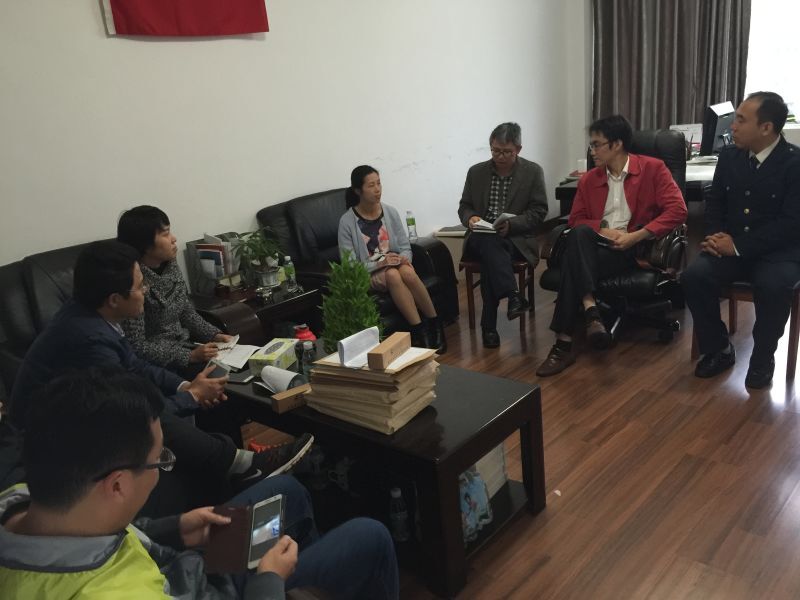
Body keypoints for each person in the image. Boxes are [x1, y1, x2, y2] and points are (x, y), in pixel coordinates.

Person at [0, 368, 399, 599]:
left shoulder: (20, 501)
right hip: (224, 591)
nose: (161, 469)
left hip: (193, 570)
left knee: (288, 492)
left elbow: (106, 537)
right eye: (159, 460)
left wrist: (174, 528)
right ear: (117, 485)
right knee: (371, 535)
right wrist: (268, 581)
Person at [8, 240, 313, 517]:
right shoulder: (88, 340)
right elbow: (125, 408)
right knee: (149, 415)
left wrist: (184, 387)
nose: (147, 291)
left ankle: (238, 467)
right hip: (55, 440)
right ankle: (240, 465)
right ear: (114, 298)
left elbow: (135, 366)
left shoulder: (93, 315)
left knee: (184, 397)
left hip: (87, 413)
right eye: (140, 286)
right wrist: (190, 397)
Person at [535, 114, 687, 377]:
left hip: (632, 249)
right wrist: (603, 229)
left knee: (573, 257)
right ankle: (590, 310)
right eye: (591, 145)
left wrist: (636, 236)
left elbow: (678, 210)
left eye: (596, 145)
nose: (591, 151)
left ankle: (564, 343)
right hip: (596, 246)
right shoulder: (589, 180)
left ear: (616, 144)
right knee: (580, 233)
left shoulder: (653, 169)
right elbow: (576, 220)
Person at [682, 91, 800, 389]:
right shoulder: (730, 156)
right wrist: (714, 236)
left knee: (774, 286)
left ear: (766, 127)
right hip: (729, 246)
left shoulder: (794, 163)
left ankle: (762, 357)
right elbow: (716, 202)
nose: (733, 126)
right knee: (694, 276)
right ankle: (718, 348)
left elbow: (791, 224)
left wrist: (736, 246)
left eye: (741, 120)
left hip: (777, 253)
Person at [458, 122, 549, 348]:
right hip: (479, 236)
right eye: (495, 151)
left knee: (492, 256)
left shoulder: (532, 172)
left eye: (506, 152)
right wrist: (471, 218)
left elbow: (539, 211)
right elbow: (465, 206)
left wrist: (513, 224)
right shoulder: (476, 172)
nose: (500, 156)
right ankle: (513, 295)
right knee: (489, 241)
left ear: (518, 149)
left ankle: (488, 326)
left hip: (515, 239)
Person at [117, 205, 234, 378]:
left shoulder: (170, 265)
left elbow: (185, 310)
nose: (174, 239)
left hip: (187, 346)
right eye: (165, 234)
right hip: (160, 364)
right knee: (224, 379)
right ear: (145, 245)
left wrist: (214, 335)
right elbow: (137, 346)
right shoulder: (133, 282)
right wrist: (189, 356)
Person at [338, 165, 445, 351]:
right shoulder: (346, 222)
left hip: (394, 265)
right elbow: (350, 266)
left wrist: (404, 259)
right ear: (358, 190)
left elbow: (405, 247)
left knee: (407, 272)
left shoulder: (390, 212)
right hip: (368, 273)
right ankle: (419, 330)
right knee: (393, 275)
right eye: (371, 185)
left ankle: (436, 324)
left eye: (379, 183)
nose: (377, 189)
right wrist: (381, 264)